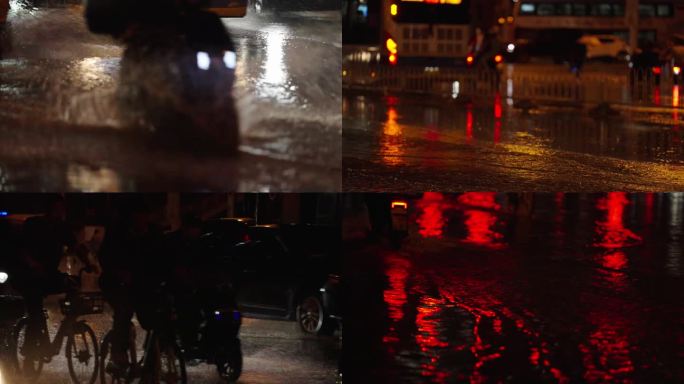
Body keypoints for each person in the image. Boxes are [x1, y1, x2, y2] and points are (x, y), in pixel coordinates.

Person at [98, 198, 165, 375]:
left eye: (143, 217)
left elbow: (163, 259)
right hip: (115, 283)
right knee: (124, 311)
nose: (141, 221)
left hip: (143, 284)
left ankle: (151, 358)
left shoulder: (154, 234)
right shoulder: (117, 233)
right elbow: (105, 256)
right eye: (136, 218)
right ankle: (117, 354)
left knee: (154, 317)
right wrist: (119, 272)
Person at [12, 196, 76, 359]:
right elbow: (21, 249)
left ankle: (66, 325)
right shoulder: (33, 224)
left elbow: (76, 245)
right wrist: (33, 264)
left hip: (47, 275)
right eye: (57, 209)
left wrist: (89, 264)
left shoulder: (62, 228)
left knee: (73, 287)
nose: (60, 213)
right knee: (35, 313)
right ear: (49, 210)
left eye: (62, 209)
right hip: (27, 276)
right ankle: (29, 351)